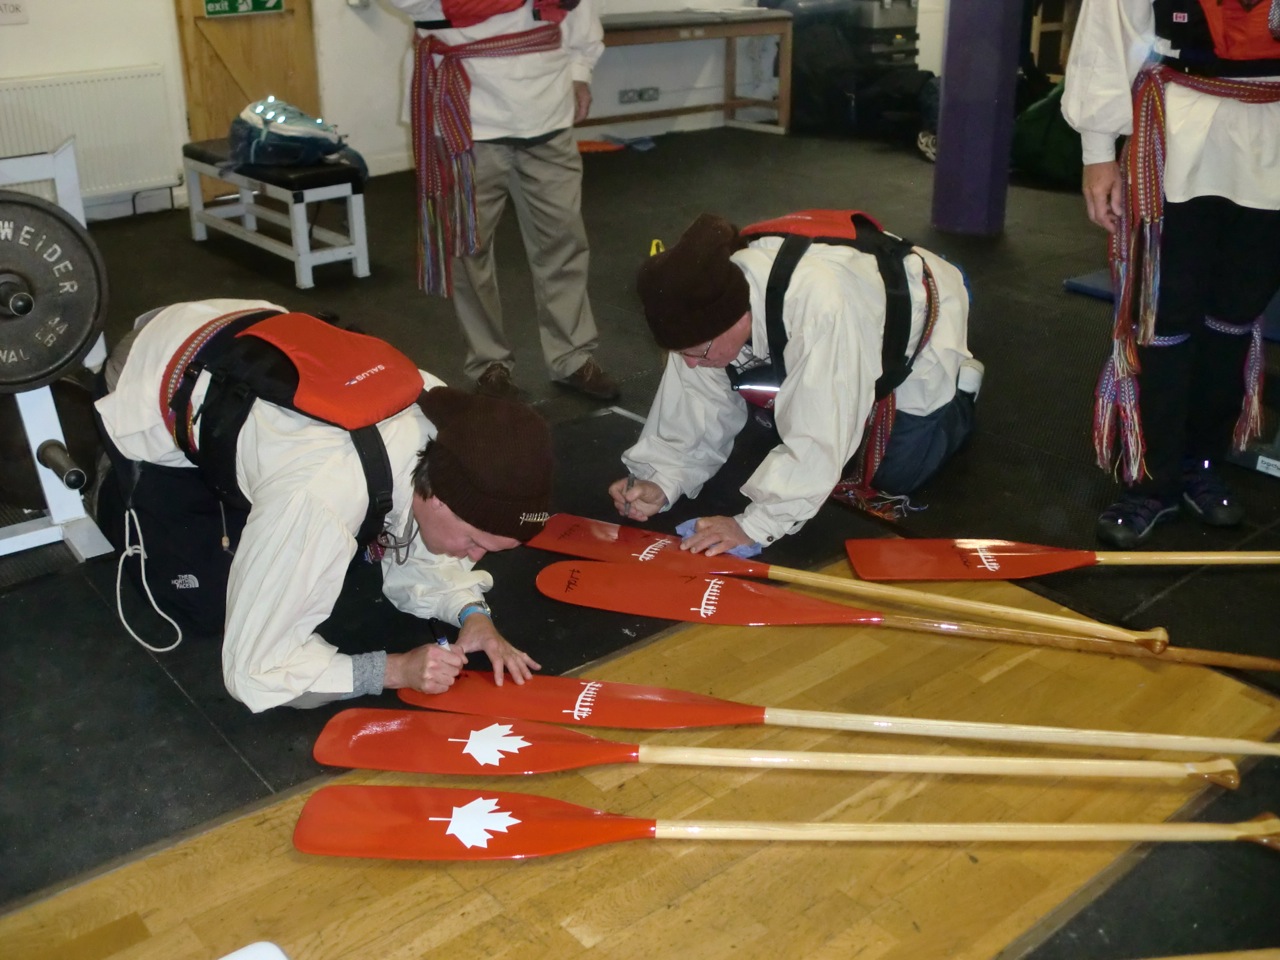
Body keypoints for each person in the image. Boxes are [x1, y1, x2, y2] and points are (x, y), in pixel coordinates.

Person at [94, 299, 554, 713]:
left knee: (332, 551)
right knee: (208, 607)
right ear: (434, 495)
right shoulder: (320, 495)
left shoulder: (452, 427)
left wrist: (473, 615)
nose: (475, 556)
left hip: (257, 350)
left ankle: (254, 481)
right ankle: (103, 483)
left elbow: (420, 541)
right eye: (474, 541)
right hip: (155, 373)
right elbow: (255, 670)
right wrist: (394, 670)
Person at [609, 211, 979, 557]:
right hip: (824, 327)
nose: (690, 362)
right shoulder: (702, 310)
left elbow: (819, 436)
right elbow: (694, 403)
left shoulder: (821, 309)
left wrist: (753, 526)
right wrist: (660, 478)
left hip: (914, 314)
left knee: (900, 473)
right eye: (681, 353)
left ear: (739, 318)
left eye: (697, 353)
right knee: (780, 406)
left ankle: (962, 389)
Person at [1062, 0, 1280, 548]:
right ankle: (1150, 480)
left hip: (1273, 134)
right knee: (1164, 315)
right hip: (1178, 128)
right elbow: (1109, 30)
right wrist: (1097, 151)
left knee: (1236, 313)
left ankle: (1200, 462)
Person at [391, 0, 619, 402]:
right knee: (467, 249)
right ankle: (488, 362)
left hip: (548, 116)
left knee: (563, 240)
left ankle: (571, 355)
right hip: (466, 120)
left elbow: (579, 18)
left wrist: (580, 73)